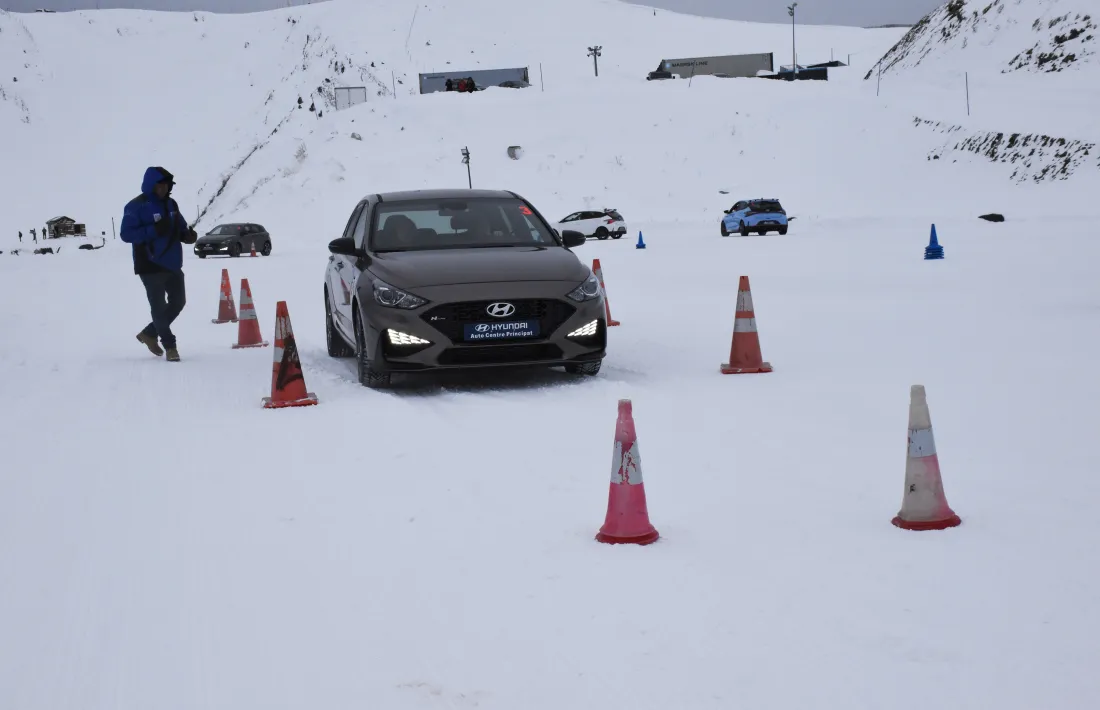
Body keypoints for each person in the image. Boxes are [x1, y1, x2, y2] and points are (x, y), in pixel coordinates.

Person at [120, 166, 197, 362]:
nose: (163, 189)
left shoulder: (171, 204)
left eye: (166, 186)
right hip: (150, 265)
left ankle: (149, 333)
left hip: (173, 263)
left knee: (178, 303)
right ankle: (170, 346)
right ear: (150, 186)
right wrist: (153, 230)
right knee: (159, 309)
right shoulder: (135, 206)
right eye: (160, 186)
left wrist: (187, 236)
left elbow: (179, 227)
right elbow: (126, 234)